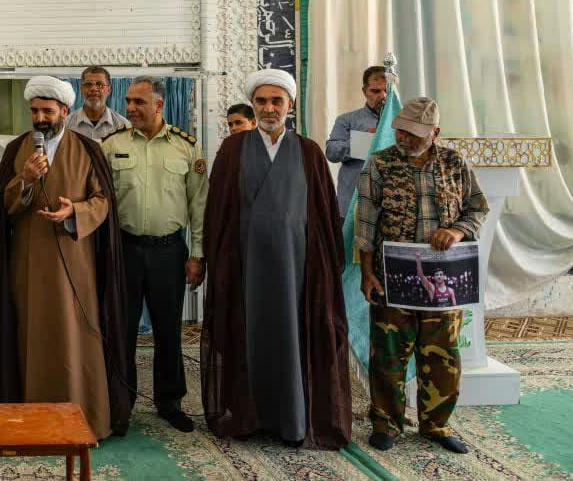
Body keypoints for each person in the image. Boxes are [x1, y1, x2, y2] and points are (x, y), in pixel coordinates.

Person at [201, 68, 351, 449]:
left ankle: (293, 419)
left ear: (290, 104)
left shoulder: (309, 152)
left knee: (293, 339)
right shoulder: (232, 150)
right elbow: (217, 213)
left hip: (295, 273)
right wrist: (218, 263)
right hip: (245, 270)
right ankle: (248, 417)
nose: (269, 108)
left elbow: (323, 216)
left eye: (276, 101)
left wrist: (325, 270)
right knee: (246, 338)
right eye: (262, 101)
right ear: (253, 104)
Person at [0, 76, 130, 441]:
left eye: (47, 111)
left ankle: (82, 416)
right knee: (29, 334)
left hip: (75, 263)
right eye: (35, 111)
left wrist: (73, 212)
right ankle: (31, 419)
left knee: (74, 336)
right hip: (28, 263)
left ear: (65, 111)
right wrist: (25, 179)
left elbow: (103, 202)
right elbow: (4, 207)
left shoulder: (87, 149)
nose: (40, 118)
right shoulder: (18, 149)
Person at [356, 96, 488, 455]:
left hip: (443, 280)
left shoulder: (455, 163)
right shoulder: (380, 164)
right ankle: (386, 423)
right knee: (388, 354)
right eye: (401, 131)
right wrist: (367, 273)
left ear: (435, 132)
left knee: (443, 355)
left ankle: (436, 425)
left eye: (413, 133)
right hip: (392, 276)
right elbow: (365, 223)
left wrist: (458, 231)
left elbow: (477, 207)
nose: (404, 138)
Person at [102, 77, 206, 432]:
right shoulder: (112, 144)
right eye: (128, 101)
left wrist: (198, 255)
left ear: (159, 105)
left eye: (138, 102)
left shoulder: (186, 147)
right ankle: (121, 404)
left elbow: (199, 205)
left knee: (168, 330)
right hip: (125, 251)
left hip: (169, 252)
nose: (130, 108)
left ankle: (170, 402)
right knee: (122, 331)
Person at [326, 65, 390, 218]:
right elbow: (331, 152)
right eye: (375, 91)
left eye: (387, 90)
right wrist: (364, 141)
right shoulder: (347, 120)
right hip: (353, 204)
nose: (383, 96)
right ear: (364, 91)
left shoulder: (401, 122)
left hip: (391, 207)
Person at [66, 66, 131, 141]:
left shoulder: (123, 125)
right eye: (88, 84)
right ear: (81, 89)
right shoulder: (66, 125)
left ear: (109, 90)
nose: (93, 89)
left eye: (100, 84)